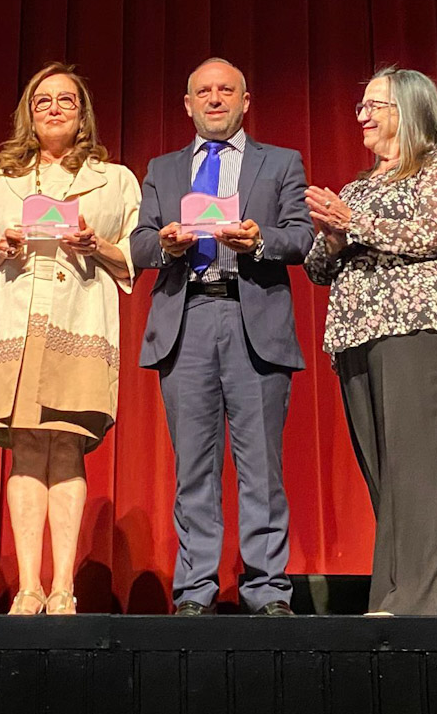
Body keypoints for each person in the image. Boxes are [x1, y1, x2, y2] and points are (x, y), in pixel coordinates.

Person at [0, 63, 141, 615]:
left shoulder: (116, 178)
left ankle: (63, 587)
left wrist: (93, 243)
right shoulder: (0, 178)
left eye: (66, 101)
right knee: (27, 447)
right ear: (28, 115)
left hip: (77, 318)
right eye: (43, 101)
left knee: (66, 442)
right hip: (14, 317)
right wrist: (1, 247)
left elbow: (134, 253)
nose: (54, 109)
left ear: (83, 115)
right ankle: (29, 586)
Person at [130, 58, 313, 616]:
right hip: (186, 324)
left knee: (261, 467)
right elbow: (137, 247)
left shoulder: (280, 163)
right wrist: (166, 244)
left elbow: (303, 238)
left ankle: (266, 592)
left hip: (251, 319)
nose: (215, 99)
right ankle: (194, 593)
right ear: (187, 105)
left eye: (225, 90)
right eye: (203, 92)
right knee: (194, 470)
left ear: (245, 100)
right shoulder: (162, 169)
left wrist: (259, 240)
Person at [303, 66, 437, 616]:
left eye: (375, 105)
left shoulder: (436, 169)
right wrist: (331, 235)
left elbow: (432, 234)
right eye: (363, 106)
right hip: (358, 335)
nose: (363, 116)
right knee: (385, 470)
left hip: (415, 326)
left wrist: (354, 222)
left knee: (414, 465)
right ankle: (412, 596)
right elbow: (317, 267)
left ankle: (418, 602)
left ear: (409, 110)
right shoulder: (358, 186)